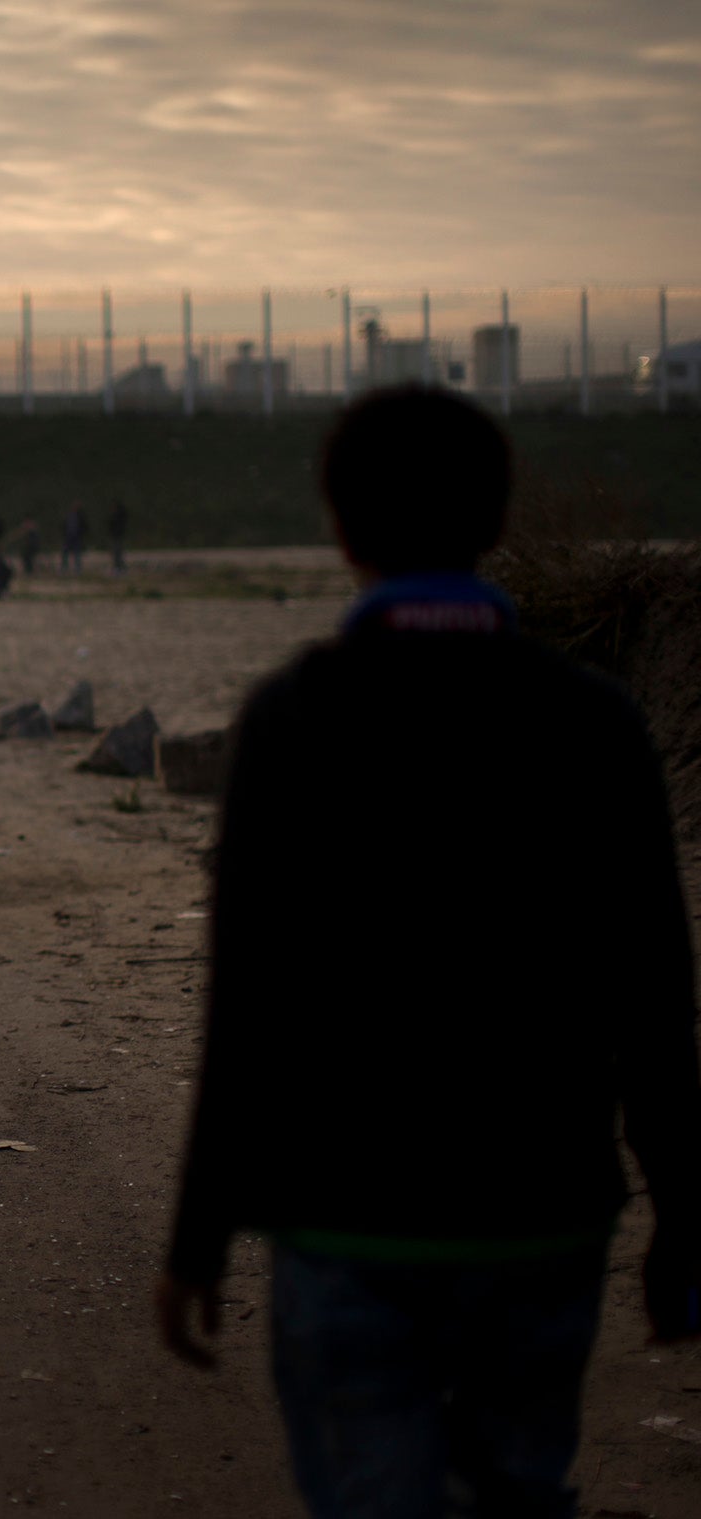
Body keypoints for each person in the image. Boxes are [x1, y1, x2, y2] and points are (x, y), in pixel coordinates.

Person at [156, 387, 701, 1516]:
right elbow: (652, 1002)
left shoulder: (292, 719)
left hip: (344, 1219)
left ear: (338, 527)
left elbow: (247, 1005)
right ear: (495, 518)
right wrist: (683, 1221)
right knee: (519, 1486)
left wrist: (199, 1232)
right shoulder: (595, 722)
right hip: (543, 1215)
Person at [59, 503, 86, 574]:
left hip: (76, 537)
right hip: (68, 537)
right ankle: (64, 567)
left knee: (77, 553)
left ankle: (77, 568)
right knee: (65, 552)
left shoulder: (80, 516)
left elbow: (83, 526)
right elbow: (64, 525)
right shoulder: (69, 515)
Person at [107, 499, 129, 575]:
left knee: (117, 553)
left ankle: (119, 568)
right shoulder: (117, 516)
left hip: (117, 536)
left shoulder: (118, 516)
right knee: (117, 553)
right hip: (116, 536)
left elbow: (114, 526)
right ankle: (119, 567)